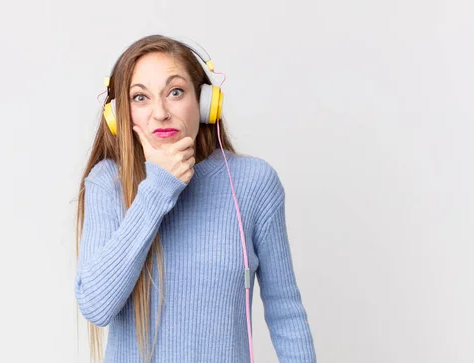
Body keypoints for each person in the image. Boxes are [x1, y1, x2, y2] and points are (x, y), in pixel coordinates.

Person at [74, 34, 316, 363]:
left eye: (175, 92)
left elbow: (286, 312)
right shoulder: (107, 183)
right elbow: (96, 305)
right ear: (120, 113)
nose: (160, 112)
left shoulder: (252, 183)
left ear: (204, 103)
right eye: (140, 97)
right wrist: (158, 188)